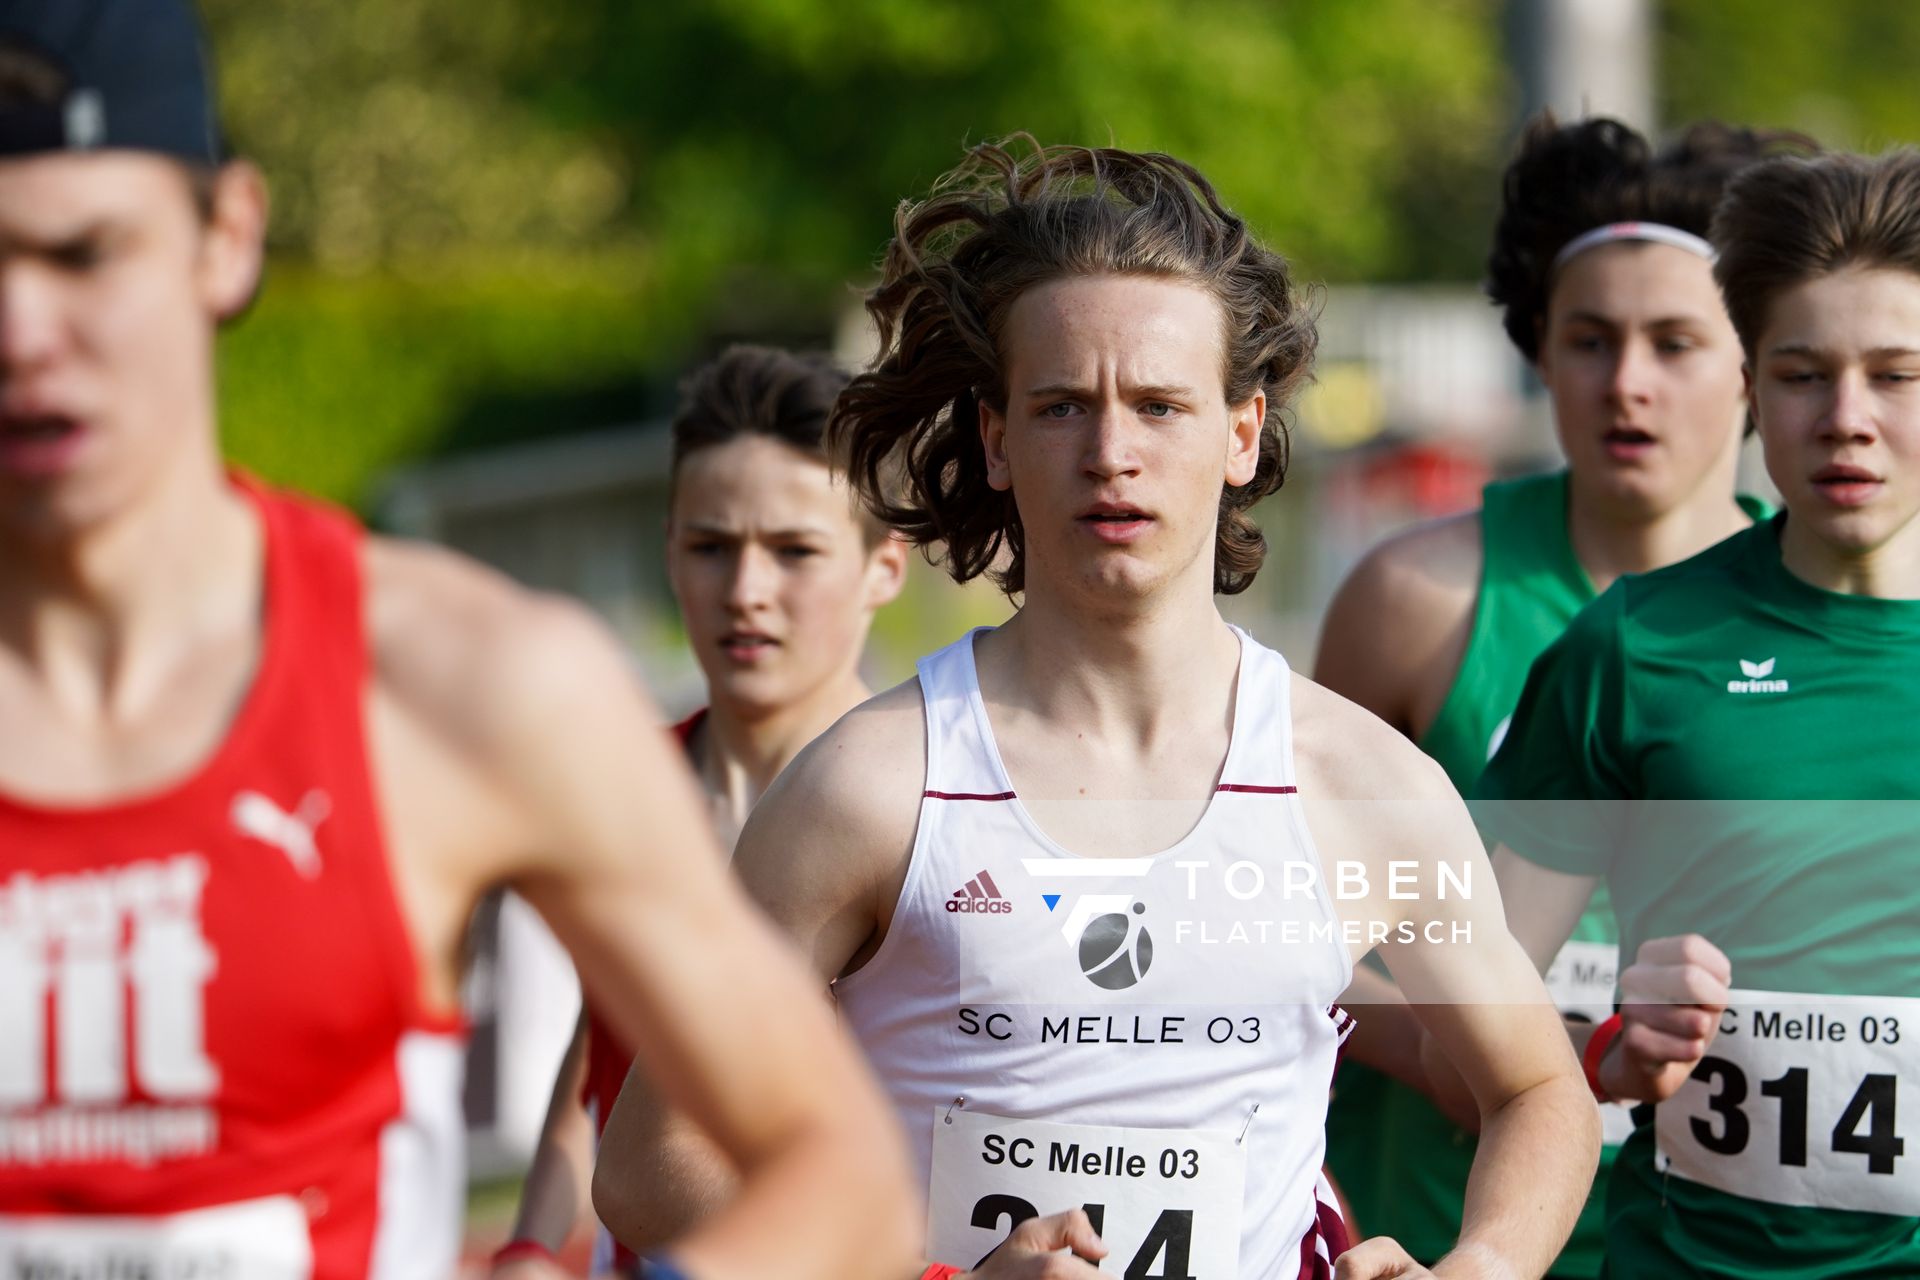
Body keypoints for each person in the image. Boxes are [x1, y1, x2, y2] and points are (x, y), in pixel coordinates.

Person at [0, 6, 917, 1279]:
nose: (20, 329)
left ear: (228, 236)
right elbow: (584, 1085)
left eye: (84, 252)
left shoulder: (463, 681)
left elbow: (844, 1174)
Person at [594, 136, 1599, 1280]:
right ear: (995, 435)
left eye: (1161, 406)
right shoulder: (869, 784)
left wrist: (1483, 1264)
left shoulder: (1361, 785)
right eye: (1065, 405)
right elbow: (645, 1167)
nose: (1112, 452)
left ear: (1239, 432)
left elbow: (1535, 1088)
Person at [1316, 114, 1805, 1276]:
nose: (1626, 382)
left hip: (1708, 1235)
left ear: (1752, 364)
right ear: (1541, 348)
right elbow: (1287, 921)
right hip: (1443, 1226)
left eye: (1675, 342)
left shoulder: (1832, 622)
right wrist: (1474, 1035)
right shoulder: (1418, 596)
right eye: (1590, 338)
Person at [1471, 147, 1920, 1275]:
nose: (1847, 417)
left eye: (1897, 373)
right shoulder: (1635, 645)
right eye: (1804, 372)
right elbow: (1471, 996)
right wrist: (1610, 1048)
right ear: (1752, 390)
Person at [491, 345, 908, 1278]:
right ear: (669, 547)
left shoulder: (933, 804)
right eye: (711, 546)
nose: (746, 591)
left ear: (885, 568)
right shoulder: (618, 787)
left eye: (794, 551)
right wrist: (527, 1243)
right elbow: (599, 1047)